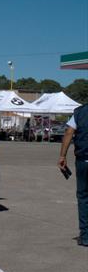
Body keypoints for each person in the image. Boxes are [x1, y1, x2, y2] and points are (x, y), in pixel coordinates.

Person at [58, 103, 88, 247]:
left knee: (83, 197)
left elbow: (69, 132)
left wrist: (62, 156)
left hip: (83, 160)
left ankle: (85, 236)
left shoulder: (79, 112)